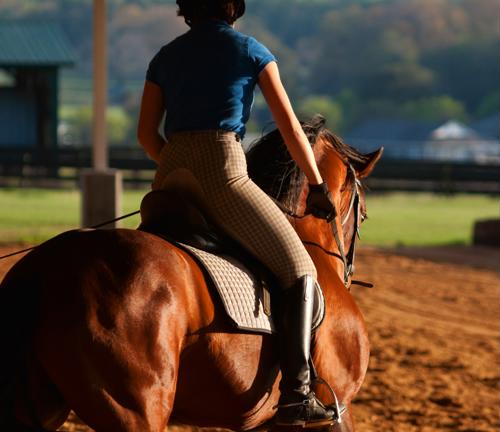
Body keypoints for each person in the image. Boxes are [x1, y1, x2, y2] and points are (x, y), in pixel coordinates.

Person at [137, 0, 338, 427]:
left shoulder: (166, 55)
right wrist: (318, 186)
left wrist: (174, 162)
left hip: (171, 171)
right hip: (223, 169)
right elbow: (287, 127)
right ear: (233, 7)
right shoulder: (250, 50)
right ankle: (297, 394)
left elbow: (145, 133)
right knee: (301, 270)